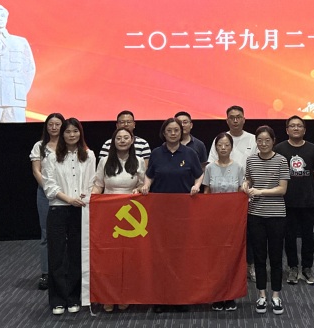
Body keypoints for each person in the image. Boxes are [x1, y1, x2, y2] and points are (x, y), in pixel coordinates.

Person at [141, 117, 204, 314]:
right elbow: (150, 175)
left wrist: (197, 185)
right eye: (169, 130)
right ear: (164, 133)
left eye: (176, 130)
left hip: (183, 212)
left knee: (181, 255)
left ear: (181, 131)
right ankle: (161, 298)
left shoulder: (190, 153)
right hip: (160, 213)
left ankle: (180, 297)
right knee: (160, 255)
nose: (173, 133)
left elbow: (199, 174)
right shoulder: (156, 153)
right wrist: (146, 185)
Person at [42, 117, 96, 316]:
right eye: (68, 131)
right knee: (56, 255)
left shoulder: (89, 155)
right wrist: (68, 199)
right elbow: (49, 186)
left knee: (76, 254)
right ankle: (57, 300)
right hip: (58, 209)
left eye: (75, 131)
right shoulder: (51, 157)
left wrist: (81, 198)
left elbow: (92, 181)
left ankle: (73, 297)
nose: (72, 135)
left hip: (80, 209)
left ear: (80, 133)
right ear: (62, 134)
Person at [91, 127, 146, 313]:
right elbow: (98, 185)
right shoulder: (105, 161)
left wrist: (139, 190)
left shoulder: (139, 161)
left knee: (129, 257)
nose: (122, 141)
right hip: (108, 213)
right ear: (113, 142)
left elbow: (142, 185)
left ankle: (125, 295)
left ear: (132, 141)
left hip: (131, 214)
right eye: (118, 138)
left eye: (126, 138)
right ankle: (108, 296)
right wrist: (90, 198)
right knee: (109, 257)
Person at [243, 125, 289, 315]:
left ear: (273, 141)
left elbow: (282, 189)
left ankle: (276, 296)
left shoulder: (281, 160)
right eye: (260, 140)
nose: (263, 144)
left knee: (276, 257)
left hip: (276, 215)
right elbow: (248, 179)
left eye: (267, 140)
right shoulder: (251, 160)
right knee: (259, 257)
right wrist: (245, 184)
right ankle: (261, 295)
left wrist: (260, 192)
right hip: (255, 214)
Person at [208, 105, 258, 280]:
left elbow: (257, 165)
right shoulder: (220, 139)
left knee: (247, 233)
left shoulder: (253, 140)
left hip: (245, 196)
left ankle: (249, 265)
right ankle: (224, 267)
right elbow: (211, 165)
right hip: (221, 198)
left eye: (238, 117)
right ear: (227, 120)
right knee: (222, 234)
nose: (235, 120)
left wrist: (247, 184)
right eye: (232, 117)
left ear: (244, 119)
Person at [275, 115, 314, 286]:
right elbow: (276, 171)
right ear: (287, 130)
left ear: (304, 129)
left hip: (307, 201)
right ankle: (293, 267)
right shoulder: (280, 149)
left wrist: (304, 182)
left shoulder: (313, 149)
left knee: (308, 237)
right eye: (292, 126)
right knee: (289, 236)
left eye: (299, 126)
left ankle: (307, 268)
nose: (296, 128)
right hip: (286, 201)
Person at [203, 132, 243, 312]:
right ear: (216, 147)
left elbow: (241, 192)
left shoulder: (238, 168)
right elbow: (206, 192)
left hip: (233, 220)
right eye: (220, 145)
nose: (223, 148)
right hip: (214, 220)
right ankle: (217, 296)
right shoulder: (210, 168)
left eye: (227, 145)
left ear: (231, 147)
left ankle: (230, 295)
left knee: (231, 257)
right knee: (215, 258)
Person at [29, 113, 63, 291]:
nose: (54, 127)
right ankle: (46, 273)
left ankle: (65, 271)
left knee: (67, 234)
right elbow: (37, 171)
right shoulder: (39, 146)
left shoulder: (69, 145)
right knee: (46, 233)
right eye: (51, 124)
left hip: (67, 193)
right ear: (46, 127)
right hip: (45, 194)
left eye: (57, 124)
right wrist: (49, 189)